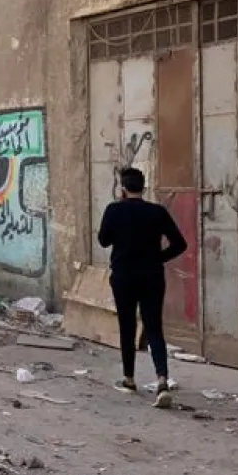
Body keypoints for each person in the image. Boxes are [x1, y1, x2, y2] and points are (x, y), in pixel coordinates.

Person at [98, 167, 186, 408]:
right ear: (143, 187)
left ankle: (129, 379)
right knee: (154, 327)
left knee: (127, 326)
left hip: (124, 276)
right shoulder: (156, 212)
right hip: (152, 277)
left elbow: (103, 240)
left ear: (123, 188)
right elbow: (180, 244)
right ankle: (162, 382)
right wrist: (159, 257)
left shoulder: (114, 210)